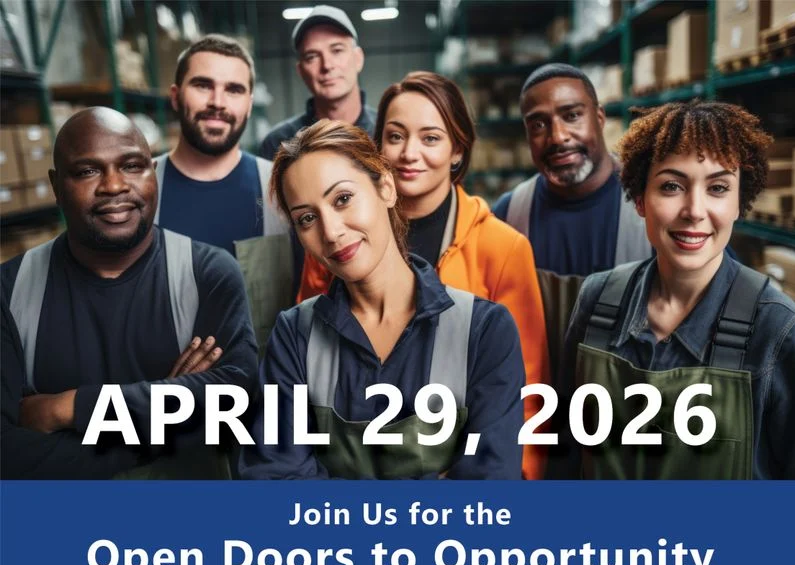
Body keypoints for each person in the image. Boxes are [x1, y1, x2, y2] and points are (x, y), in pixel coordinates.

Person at [297, 71, 549, 479]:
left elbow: (528, 393)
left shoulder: (502, 248)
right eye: (395, 136)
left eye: (430, 138)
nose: (409, 153)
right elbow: (307, 362)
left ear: (457, 150)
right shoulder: (336, 239)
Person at [239, 120, 525, 480]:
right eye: (307, 218)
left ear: (386, 187)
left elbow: (488, 493)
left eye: (342, 199)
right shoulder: (294, 336)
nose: (331, 232)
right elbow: (275, 482)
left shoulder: (484, 331)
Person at [1, 107, 258, 479]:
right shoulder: (11, 290)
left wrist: (70, 408)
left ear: (154, 172)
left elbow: (236, 400)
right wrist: (170, 411)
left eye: (132, 165)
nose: (114, 186)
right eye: (88, 171)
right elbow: (7, 454)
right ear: (56, 186)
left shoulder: (206, 274)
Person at [560, 100, 795, 479]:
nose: (694, 210)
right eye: (671, 186)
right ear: (640, 199)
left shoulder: (777, 331)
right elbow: (565, 458)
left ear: (740, 203)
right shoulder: (597, 302)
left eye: (718, 188)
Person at [154, 35, 292, 354]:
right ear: (176, 96)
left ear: (248, 101)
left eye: (234, 89)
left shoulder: (281, 186)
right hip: (163, 391)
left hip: (265, 390)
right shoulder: (138, 189)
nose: (218, 101)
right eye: (203, 85)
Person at [494, 63, 651, 277]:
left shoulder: (652, 205)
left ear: (599, 118)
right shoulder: (507, 215)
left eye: (572, 116)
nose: (558, 136)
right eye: (538, 125)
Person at [258, 5, 376, 161]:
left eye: (337, 50)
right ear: (301, 71)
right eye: (312, 56)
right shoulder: (278, 143)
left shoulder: (386, 132)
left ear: (358, 59)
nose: (327, 65)